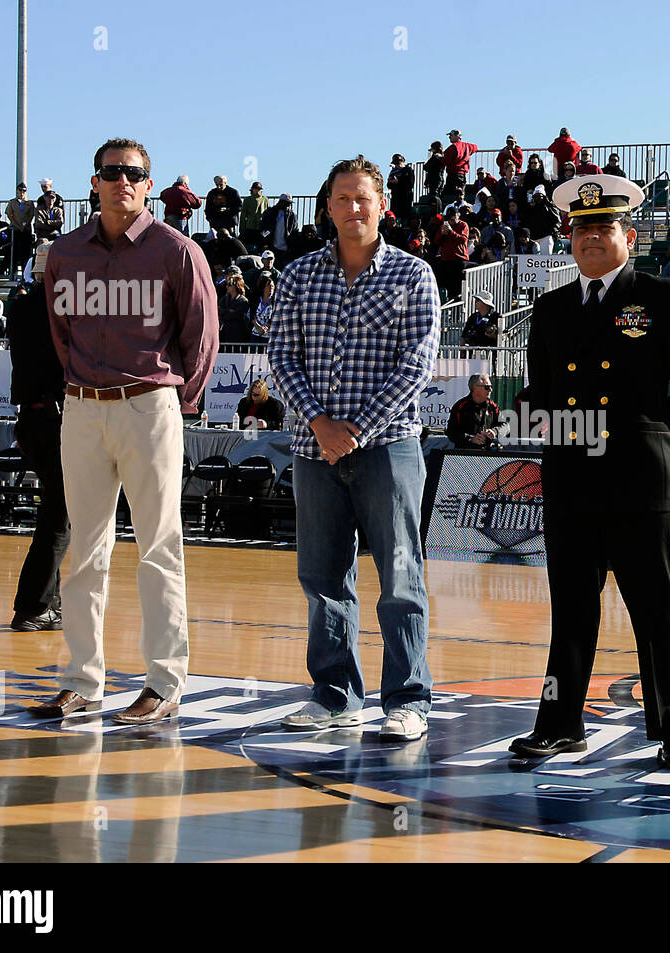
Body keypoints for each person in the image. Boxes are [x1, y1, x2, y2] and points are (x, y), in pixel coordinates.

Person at [513, 173, 670, 771]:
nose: (590, 238)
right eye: (581, 230)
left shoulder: (659, 296)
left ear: (629, 236)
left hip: (636, 476)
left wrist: (664, 441)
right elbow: (543, 391)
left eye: (603, 228)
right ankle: (559, 722)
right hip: (572, 477)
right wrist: (527, 419)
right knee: (570, 608)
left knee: (655, 607)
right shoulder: (549, 309)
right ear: (569, 240)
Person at [31, 137, 219, 725]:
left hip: (148, 405)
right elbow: (60, 335)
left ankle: (164, 683)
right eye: (111, 172)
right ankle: (84, 681)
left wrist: (172, 404)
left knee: (158, 547)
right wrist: (82, 389)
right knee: (85, 550)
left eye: (134, 173)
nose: (122, 182)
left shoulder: (177, 252)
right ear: (94, 181)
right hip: (83, 408)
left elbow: (202, 339)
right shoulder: (63, 256)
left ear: (149, 183)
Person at [268, 157, 439, 740]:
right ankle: (336, 694)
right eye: (342, 198)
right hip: (314, 451)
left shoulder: (413, 275)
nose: (353, 208)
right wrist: (319, 423)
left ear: (382, 204)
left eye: (363, 197)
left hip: (388, 448)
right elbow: (281, 358)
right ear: (328, 207)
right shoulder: (297, 276)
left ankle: (408, 698)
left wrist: (355, 429)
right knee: (322, 577)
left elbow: (415, 366)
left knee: (399, 575)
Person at [7, 242, 68, 631]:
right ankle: (32, 605)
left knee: (55, 513)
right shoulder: (64, 310)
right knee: (59, 518)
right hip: (57, 419)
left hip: (31, 420)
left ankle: (48, 602)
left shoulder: (19, 308)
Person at [445, 373, 506, 449]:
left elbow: (505, 425)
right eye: (487, 387)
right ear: (475, 388)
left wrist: (495, 431)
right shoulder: (460, 406)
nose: (491, 390)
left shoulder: (492, 406)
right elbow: (451, 432)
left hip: (488, 453)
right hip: (465, 454)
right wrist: (470, 439)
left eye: (491, 387)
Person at [6, 183, 36, 276]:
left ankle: (25, 273)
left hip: (26, 230)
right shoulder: (12, 202)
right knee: (14, 252)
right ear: (17, 191)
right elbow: (9, 214)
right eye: (20, 190)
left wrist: (26, 225)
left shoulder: (29, 203)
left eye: (24, 190)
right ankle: (13, 272)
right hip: (16, 230)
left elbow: (31, 215)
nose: (22, 192)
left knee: (26, 253)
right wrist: (16, 225)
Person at [442, 129, 479, 201]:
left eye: (451, 136)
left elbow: (446, 160)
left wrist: (439, 157)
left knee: (448, 196)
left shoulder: (452, 148)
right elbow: (475, 147)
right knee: (460, 195)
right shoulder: (468, 146)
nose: (449, 137)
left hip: (452, 175)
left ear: (457, 136)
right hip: (462, 175)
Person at [240, 182, 270, 247]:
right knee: (250, 246)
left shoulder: (265, 199)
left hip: (261, 227)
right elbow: (243, 215)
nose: (257, 190)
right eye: (256, 189)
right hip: (250, 227)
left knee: (261, 246)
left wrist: (267, 228)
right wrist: (242, 230)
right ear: (252, 190)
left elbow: (268, 214)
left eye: (259, 189)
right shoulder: (247, 200)